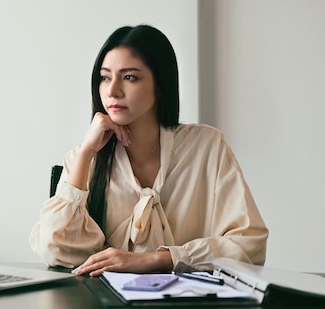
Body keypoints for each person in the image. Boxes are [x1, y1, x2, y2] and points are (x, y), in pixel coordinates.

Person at [29, 24, 268, 276]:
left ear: (161, 85)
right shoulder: (84, 157)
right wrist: (87, 153)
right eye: (105, 77)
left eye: (129, 77)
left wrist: (158, 260)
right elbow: (54, 249)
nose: (112, 91)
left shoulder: (206, 147)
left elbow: (249, 246)